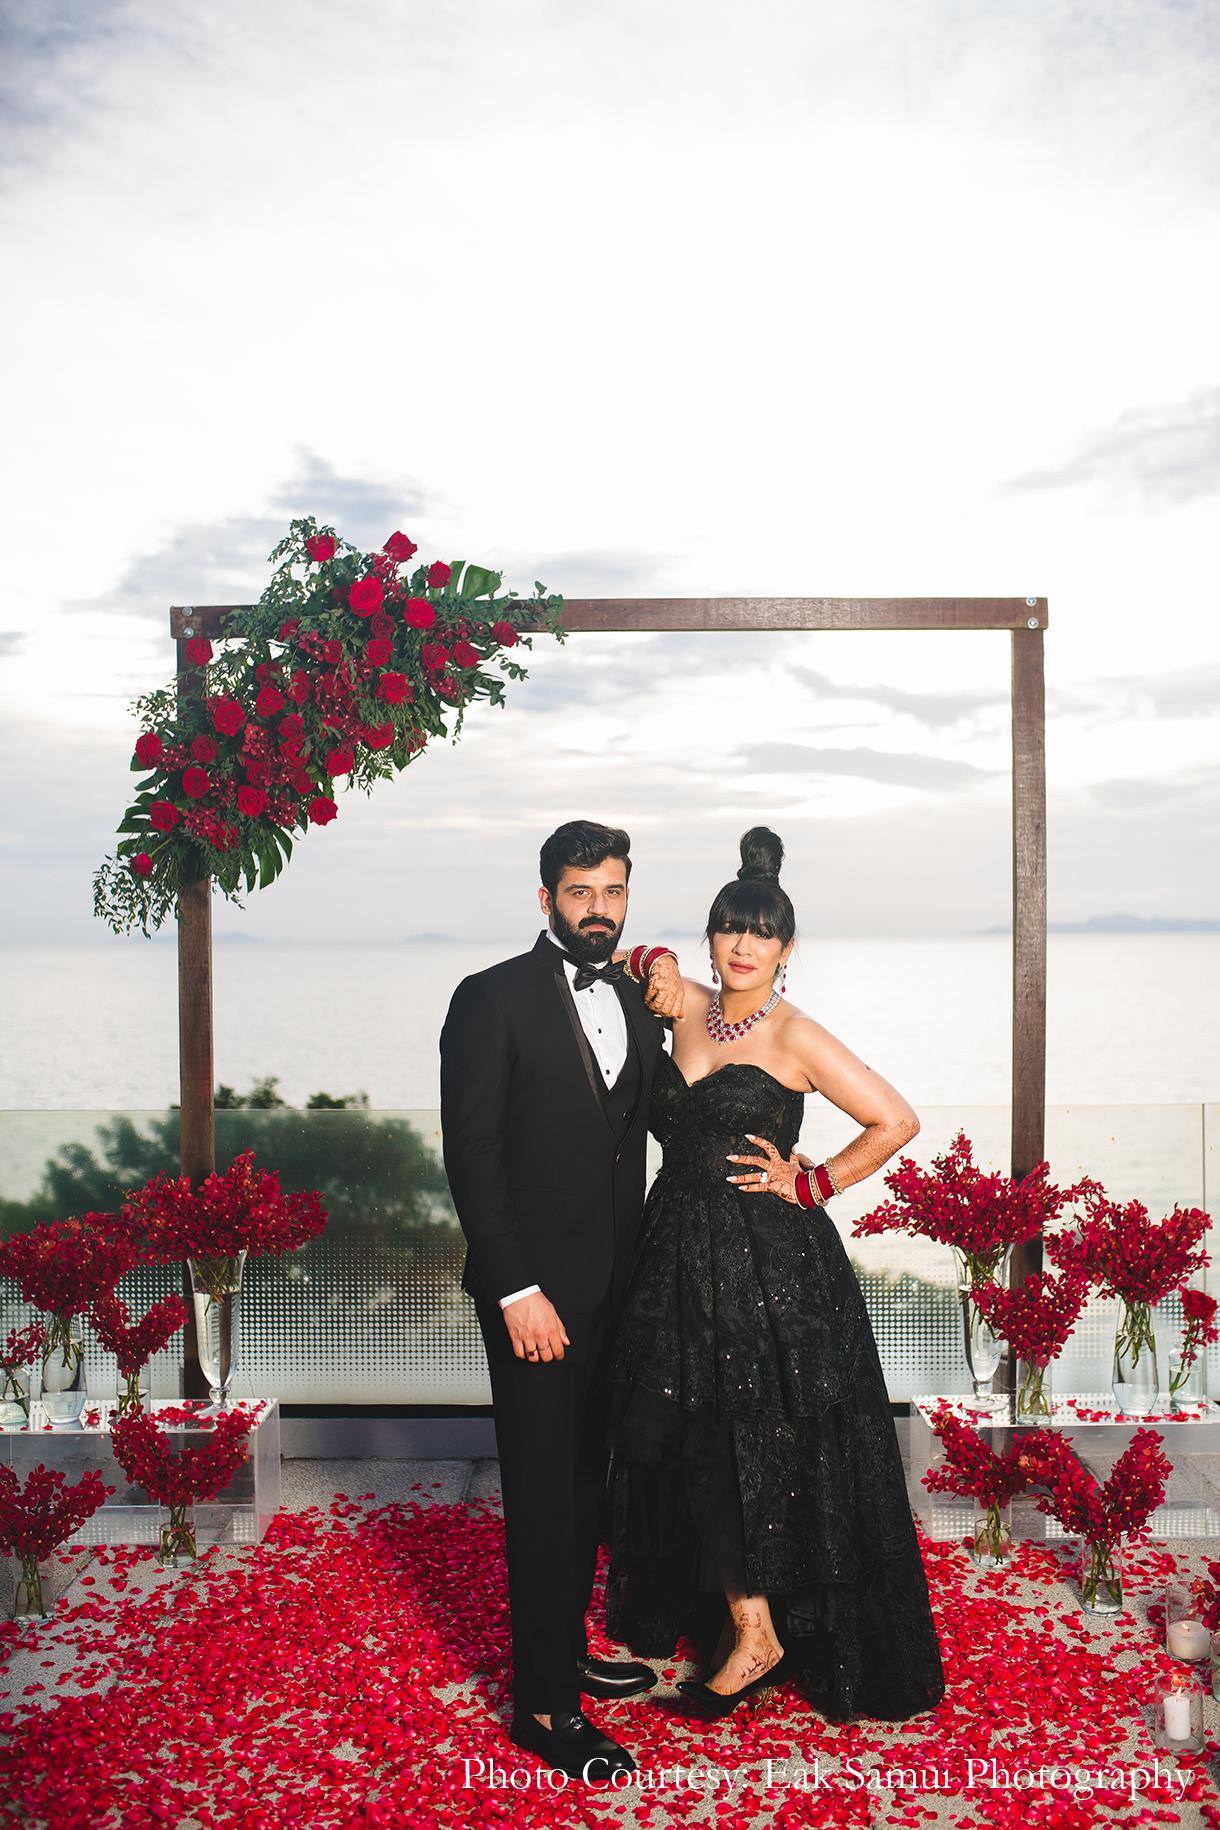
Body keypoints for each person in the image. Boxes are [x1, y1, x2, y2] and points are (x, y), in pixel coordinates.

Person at [602, 826, 946, 1721]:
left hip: (765, 1267)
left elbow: (895, 1119)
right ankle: (742, 1619)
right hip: (674, 1251)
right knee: (673, 1438)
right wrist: (657, 961)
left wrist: (816, 1181)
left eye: (760, 934)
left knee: (743, 1442)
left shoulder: (797, 1035)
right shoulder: (686, 1007)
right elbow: (631, 973)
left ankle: (760, 1630)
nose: (743, 946)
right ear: (714, 937)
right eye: (728, 930)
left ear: (786, 951)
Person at [439, 819, 679, 1780]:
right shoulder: (489, 1000)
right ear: (546, 899)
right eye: (580, 893)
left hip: (622, 1287)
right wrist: (516, 1288)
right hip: (534, 1297)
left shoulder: (634, 995)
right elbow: (473, 1156)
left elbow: (652, 1122)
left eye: (614, 892)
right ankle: (541, 1705)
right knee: (543, 1494)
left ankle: (566, 1652)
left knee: (589, 1482)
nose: (598, 909)